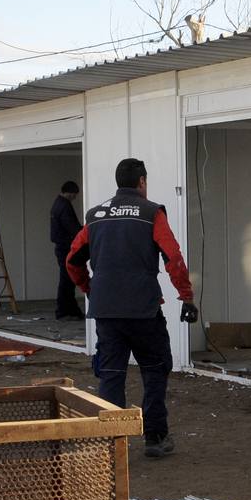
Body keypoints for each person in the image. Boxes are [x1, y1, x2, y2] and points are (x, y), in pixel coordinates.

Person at [65, 158, 198, 457]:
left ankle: (112, 446)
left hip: (106, 311)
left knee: (111, 374)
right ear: (142, 182)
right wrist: (186, 296)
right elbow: (173, 257)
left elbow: (72, 260)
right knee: (154, 368)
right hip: (143, 310)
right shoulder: (151, 213)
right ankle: (155, 438)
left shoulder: (95, 215)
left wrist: (90, 289)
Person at [49, 180, 85, 321]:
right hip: (65, 247)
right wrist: (84, 233)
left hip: (60, 246)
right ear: (69, 193)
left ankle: (68, 309)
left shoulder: (57, 204)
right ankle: (65, 310)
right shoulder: (64, 206)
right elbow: (72, 228)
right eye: (74, 195)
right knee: (67, 279)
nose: (75, 197)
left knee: (67, 279)